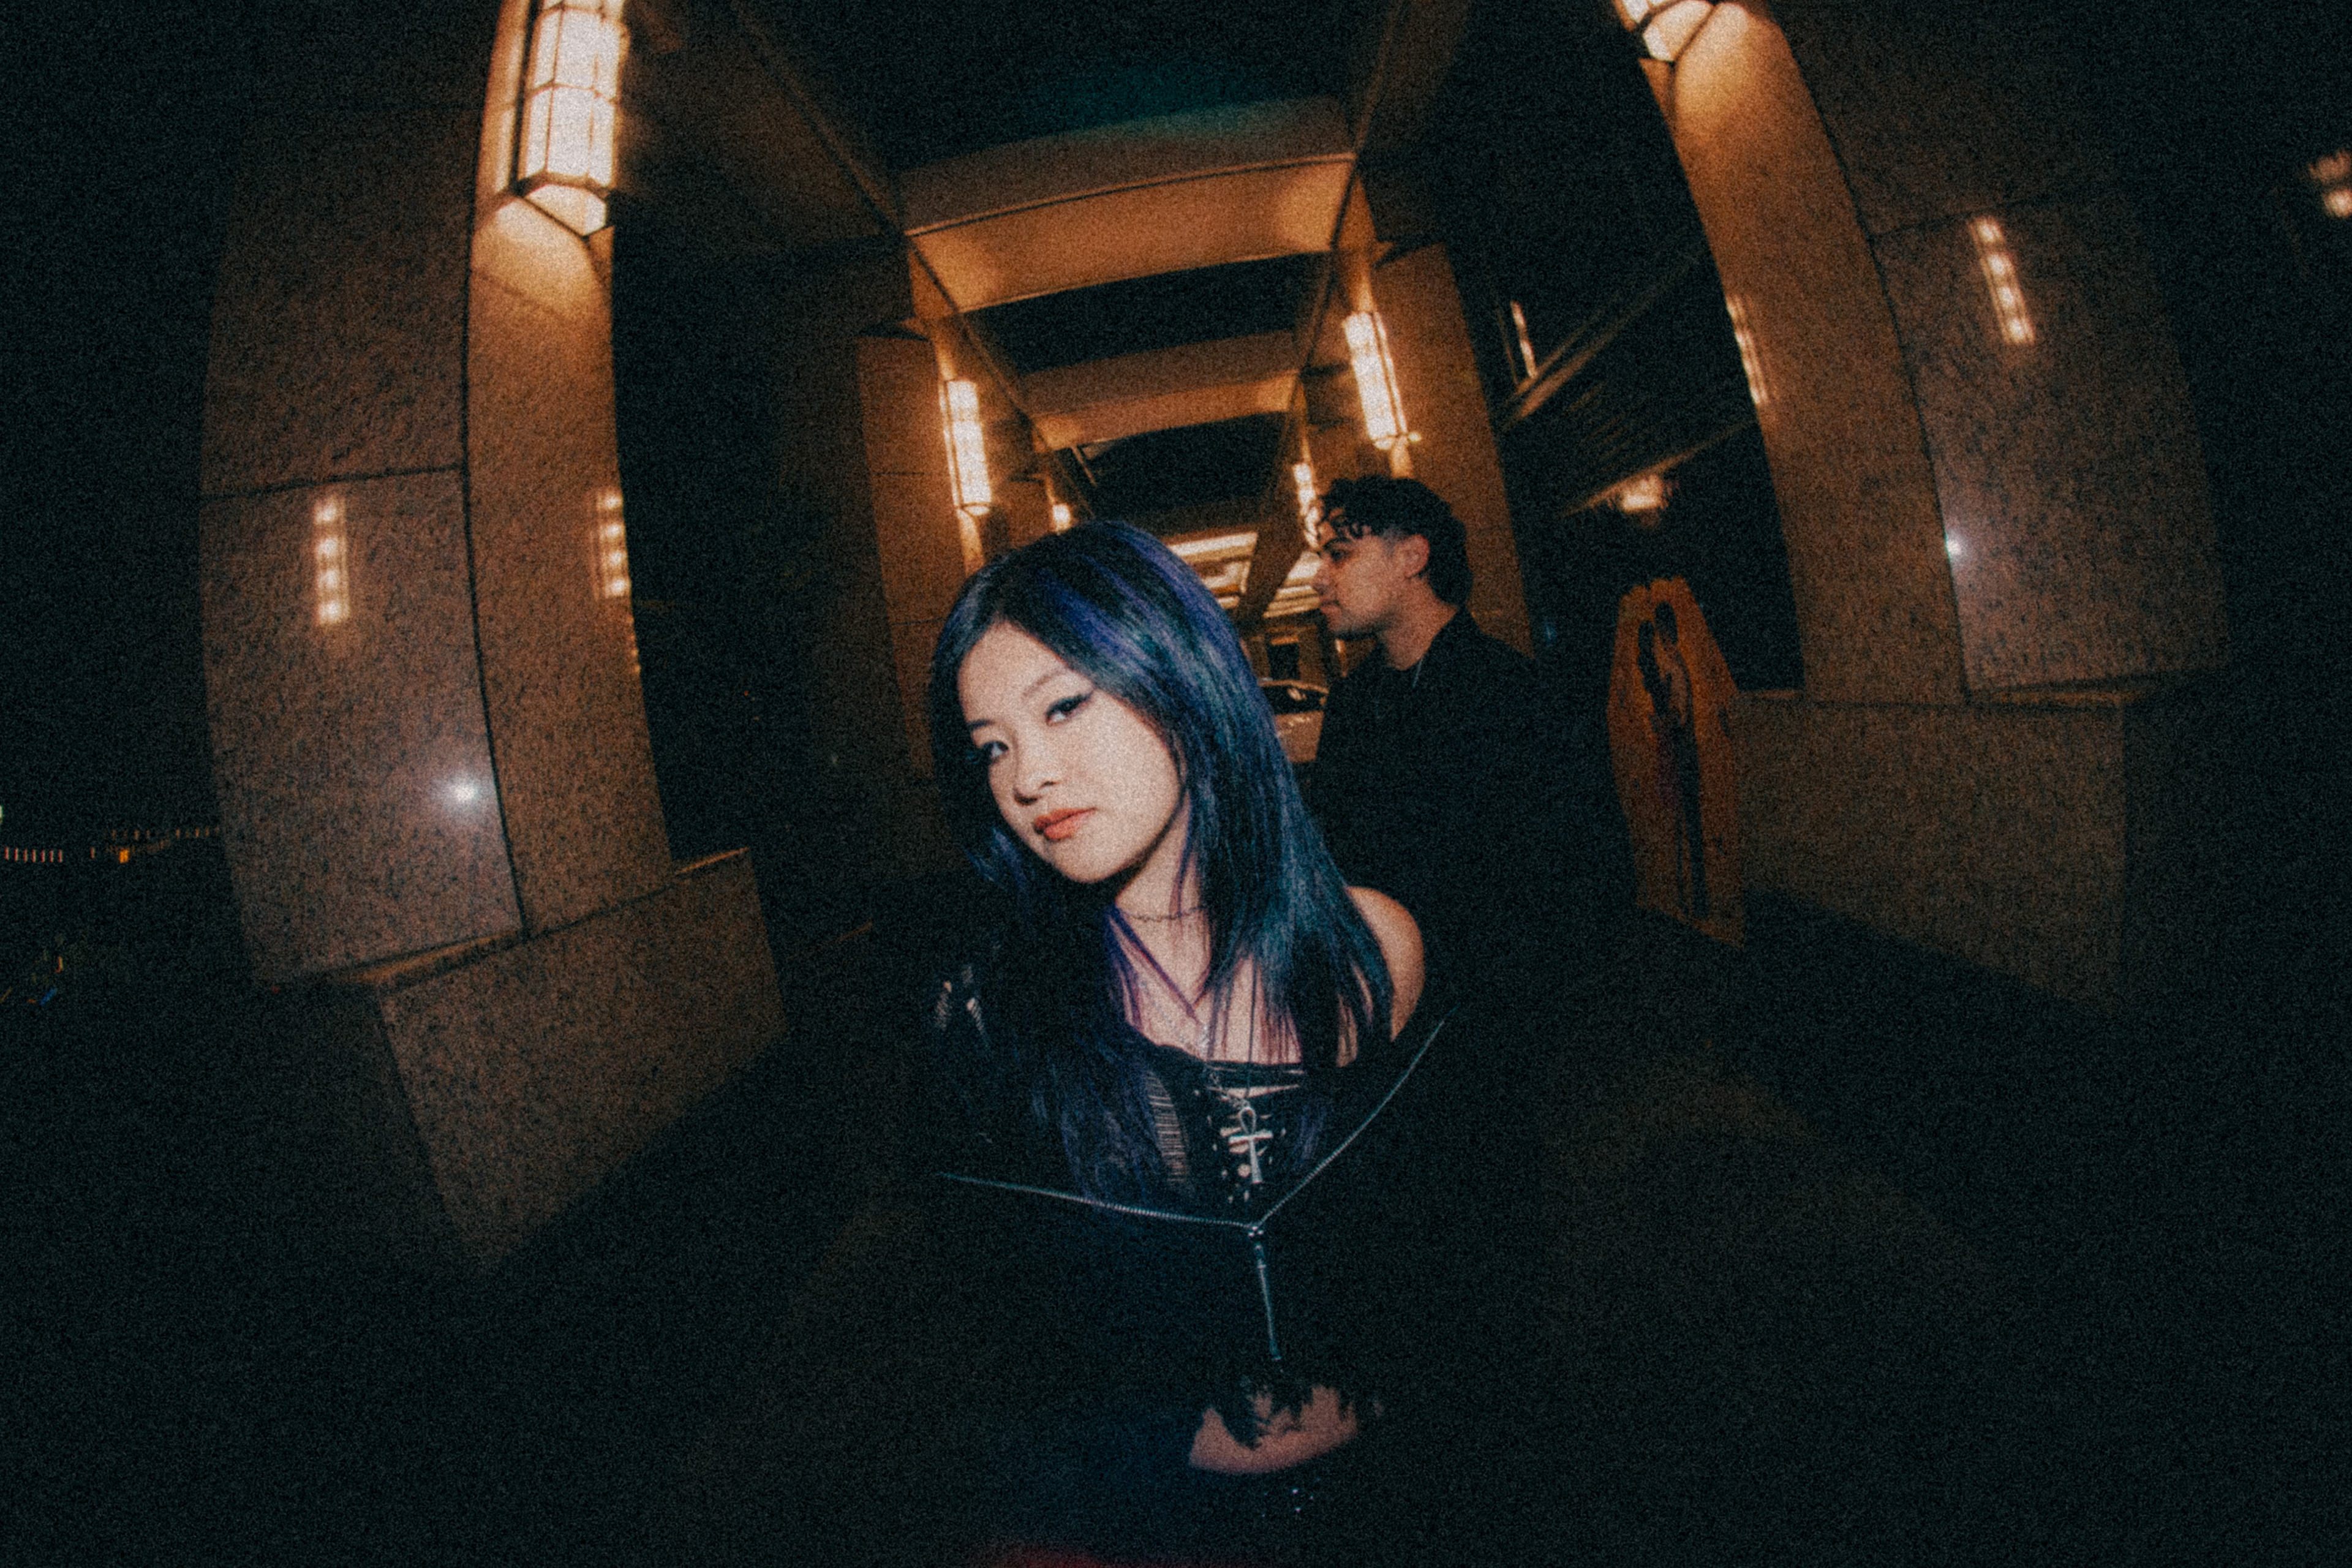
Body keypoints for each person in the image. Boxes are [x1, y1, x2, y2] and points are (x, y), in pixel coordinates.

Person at [679, 522, 1555, 1567]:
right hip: (1156, 1524)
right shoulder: (991, 1017)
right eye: (991, 746)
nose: (1027, 776)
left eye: (1062, 707)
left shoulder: (1372, 951)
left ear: (1182, 684)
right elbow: (999, 1347)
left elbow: (1468, 1254)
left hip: (1408, 1501)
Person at [1307, 477, 1625, 1002]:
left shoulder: (1513, 694)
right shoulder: (1353, 703)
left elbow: (1582, 873)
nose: (1319, 578)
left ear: (1412, 557)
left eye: (1339, 555)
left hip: (1501, 1005)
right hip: (1388, 993)